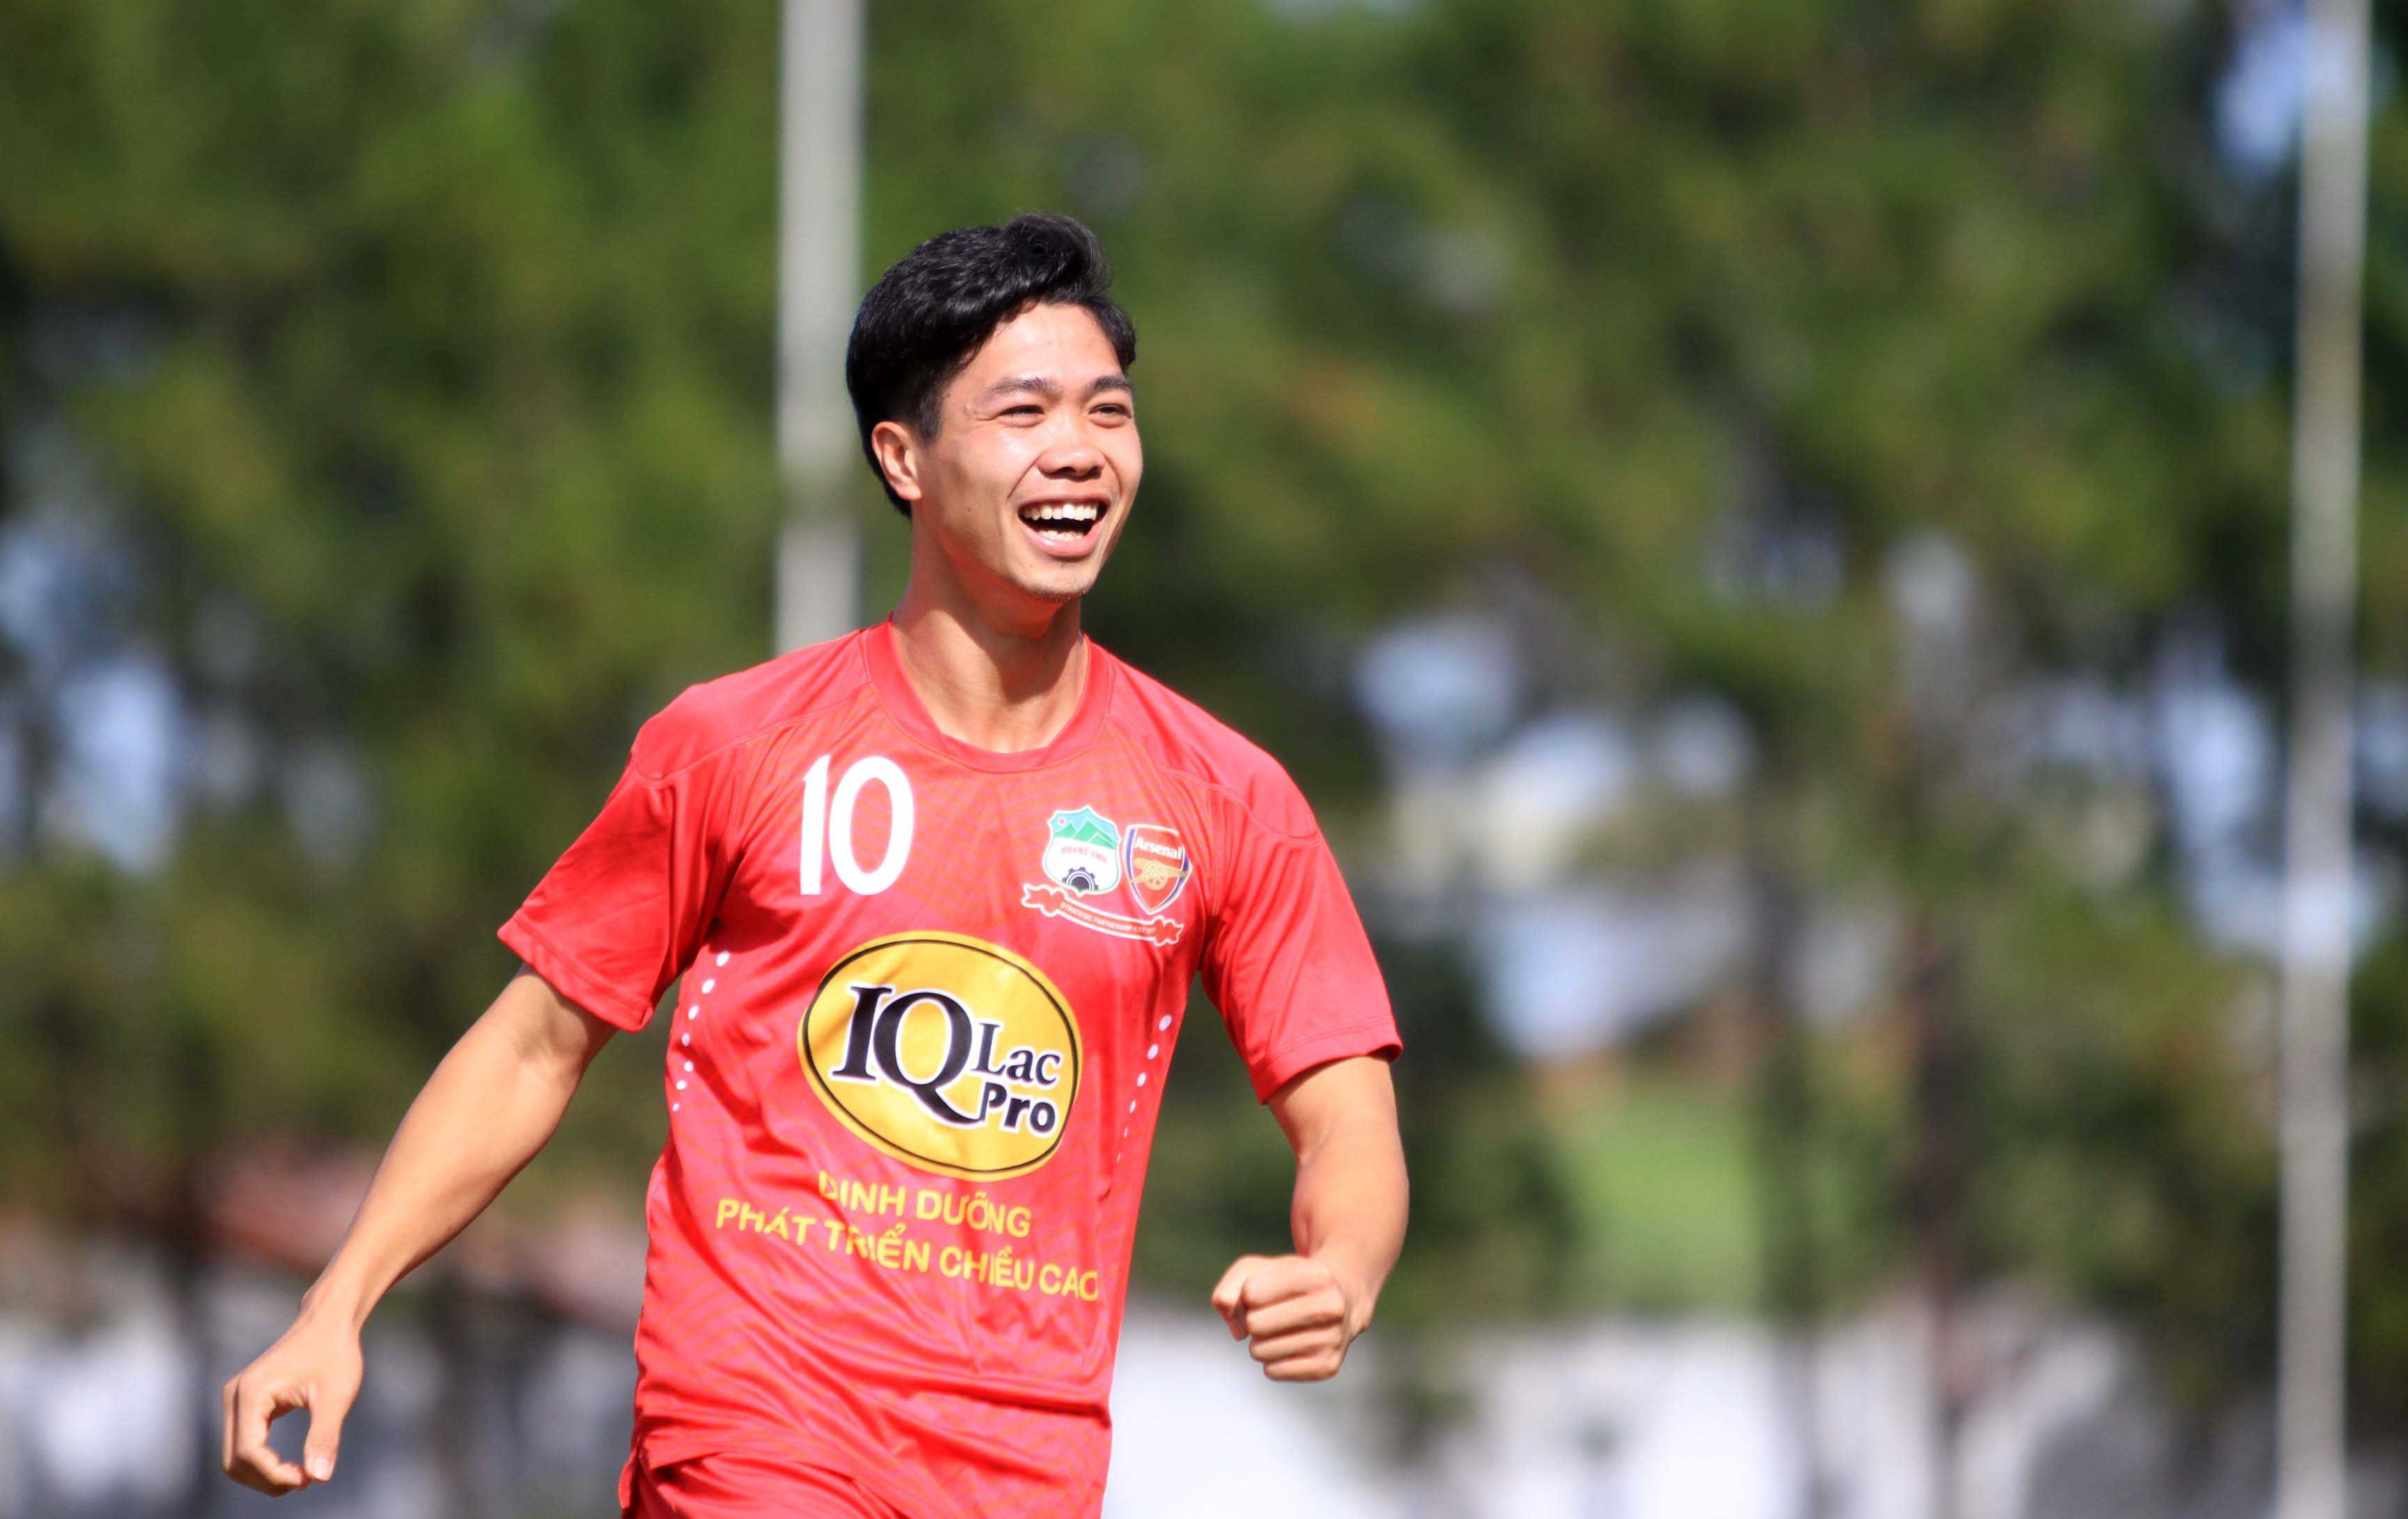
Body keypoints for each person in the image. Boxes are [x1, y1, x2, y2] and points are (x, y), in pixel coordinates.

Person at [220, 213, 1410, 1518]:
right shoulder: (732, 746)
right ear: (904, 458)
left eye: (1108, 412)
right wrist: (336, 1305)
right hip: (754, 1426)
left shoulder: (1228, 800)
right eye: (1024, 411)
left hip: (1030, 1465)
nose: (1078, 448)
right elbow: (532, 1048)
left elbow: (1346, 1112)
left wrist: (1342, 1272)